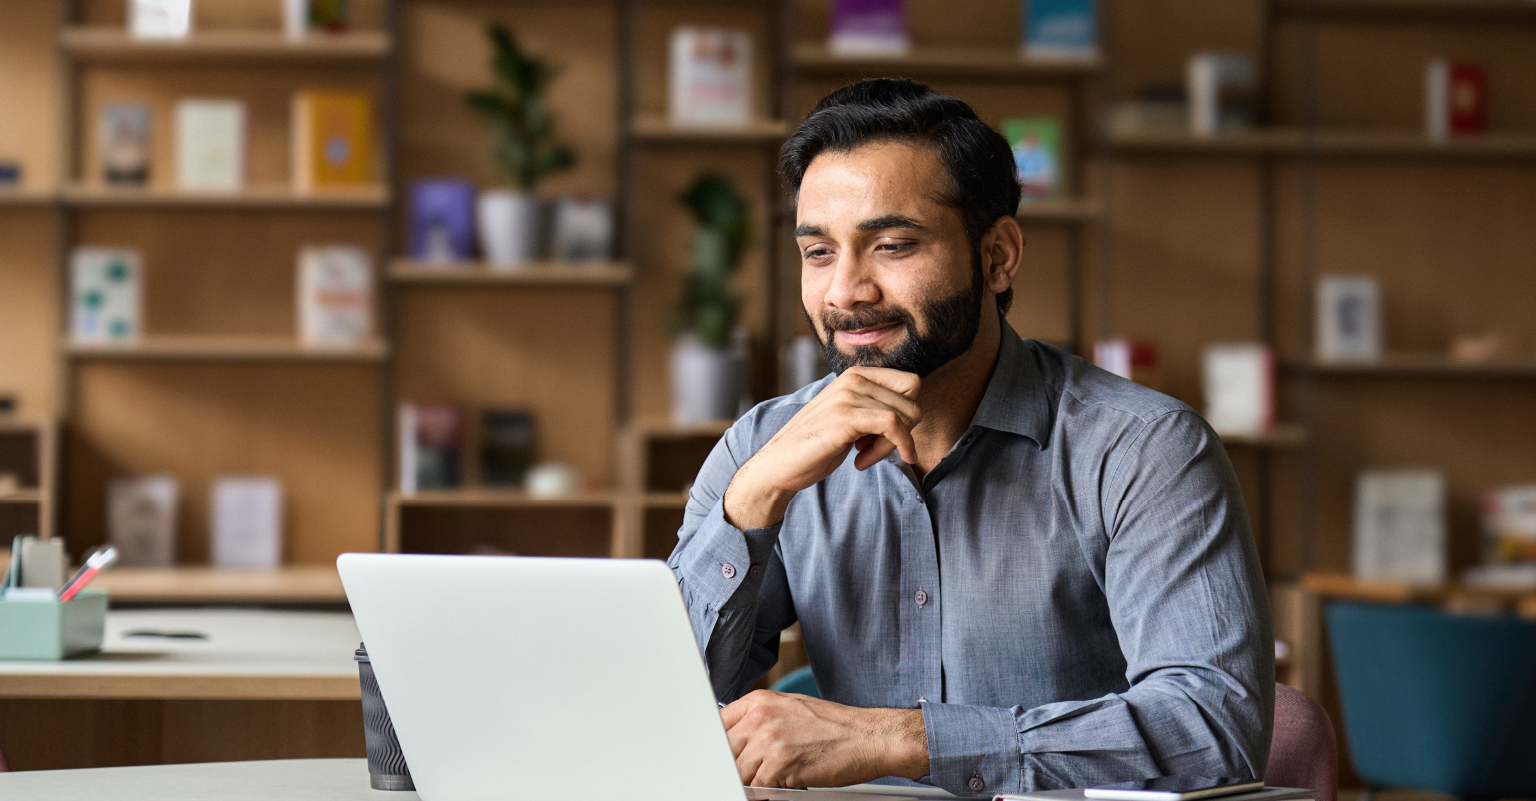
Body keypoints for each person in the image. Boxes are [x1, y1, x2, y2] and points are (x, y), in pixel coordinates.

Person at [667, 79, 1273, 796]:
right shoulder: (760, 449)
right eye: (819, 252)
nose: (845, 292)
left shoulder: (1145, 450)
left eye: (891, 244)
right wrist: (753, 502)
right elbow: (655, 710)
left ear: (998, 256)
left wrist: (904, 739)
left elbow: (1213, 729)